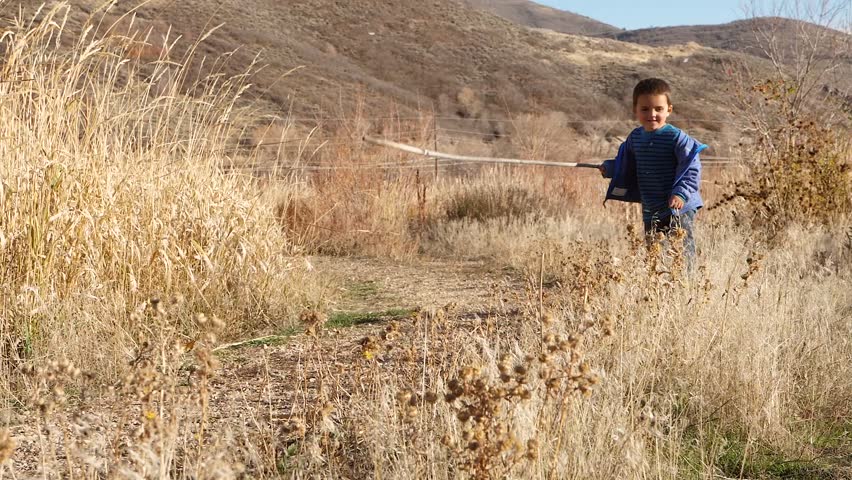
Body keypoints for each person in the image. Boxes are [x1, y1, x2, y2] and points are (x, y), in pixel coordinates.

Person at [599, 77, 707, 263]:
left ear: (669, 110)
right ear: (635, 110)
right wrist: (609, 168)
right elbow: (625, 164)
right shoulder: (635, 138)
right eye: (645, 109)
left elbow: (692, 168)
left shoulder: (677, 138)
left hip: (678, 207)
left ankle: (686, 285)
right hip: (652, 207)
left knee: (681, 250)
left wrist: (680, 194)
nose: (652, 114)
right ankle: (659, 287)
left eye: (659, 109)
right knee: (655, 253)